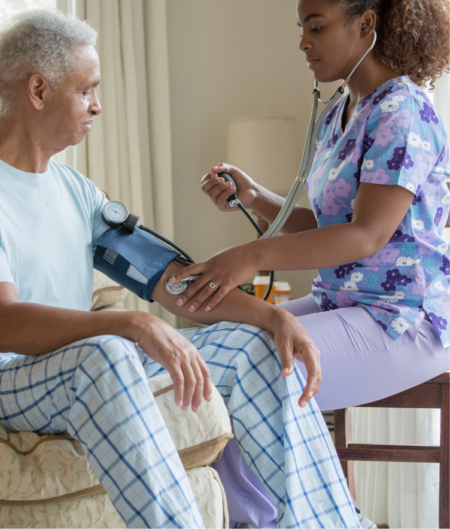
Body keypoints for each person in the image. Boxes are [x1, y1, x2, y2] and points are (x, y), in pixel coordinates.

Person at [0, 8, 367, 529]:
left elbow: (169, 278)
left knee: (253, 345)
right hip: (12, 374)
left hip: (87, 365)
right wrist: (126, 322)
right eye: (87, 90)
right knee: (107, 351)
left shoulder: (75, 191)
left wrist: (272, 319)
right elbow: (4, 322)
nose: (98, 107)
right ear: (38, 90)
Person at [170, 0, 450, 526]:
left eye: (316, 27)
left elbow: (366, 235)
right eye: (301, 28)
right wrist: (255, 198)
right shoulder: (341, 111)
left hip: (406, 320)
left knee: (258, 372)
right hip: (344, 303)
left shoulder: (402, 111)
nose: (303, 42)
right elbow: (330, 223)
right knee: (208, 357)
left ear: (366, 24)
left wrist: (251, 255)